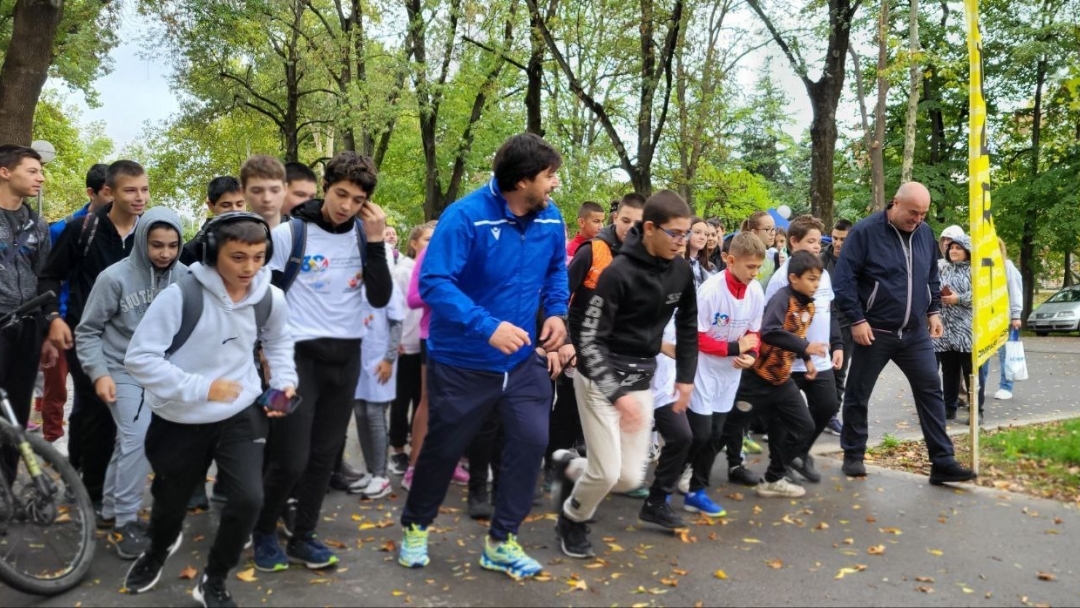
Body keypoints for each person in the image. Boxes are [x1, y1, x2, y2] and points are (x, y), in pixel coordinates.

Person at [397, 133, 568, 580]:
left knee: (531, 443)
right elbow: (434, 282)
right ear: (524, 179)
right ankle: (416, 526)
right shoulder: (465, 217)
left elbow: (555, 272)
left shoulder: (551, 219)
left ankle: (501, 541)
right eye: (549, 177)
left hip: (522, 360)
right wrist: (486, 326)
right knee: (445, 447)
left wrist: (555, 312)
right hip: (462, 362)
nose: (554, 186)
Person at [122, 212, 297, 605]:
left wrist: (285, 384)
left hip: (241, 411)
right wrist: (202, 388)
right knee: (170, 504)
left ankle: (214, 577)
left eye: (258, 256)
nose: (250, 267)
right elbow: (140, 359)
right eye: (238, 257)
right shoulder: (180, 296)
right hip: (179, 417)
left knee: (249, 499)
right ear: (213, 252)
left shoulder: (269, 296)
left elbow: (280, 343)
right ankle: (158, 548)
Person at [253, 151, 391, 571]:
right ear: (327, 187)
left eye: (357, 198)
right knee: (290, 456)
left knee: (325, 455)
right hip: (296, 357)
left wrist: (374, 242)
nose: (346, 205)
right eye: (340, 193)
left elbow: (380, 296)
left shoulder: (364, 237)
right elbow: (265, 297)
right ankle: (262, 531)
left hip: (345, 357)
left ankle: (304, 535)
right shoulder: (290, 234)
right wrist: (264, 353)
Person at [552, 190, 697, 559]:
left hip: (641, 380)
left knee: (629, 478)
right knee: (604, 474)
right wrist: (617, 396)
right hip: (599, 380)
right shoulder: (617, 273)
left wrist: (685, 377)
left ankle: (569, 465)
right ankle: (572, 518)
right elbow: (589, 339)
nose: (683, 242)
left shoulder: (681, 270)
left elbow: (688, 324)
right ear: (649, 228)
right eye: (675, 233)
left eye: (687, 233)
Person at [832, 182, 977, 485]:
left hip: (914, 334)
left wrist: (934, 311)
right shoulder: (865, 232)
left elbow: (931, 278)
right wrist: (857, 320)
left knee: (931, 392)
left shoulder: (924, 234)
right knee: (859, 393)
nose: (918, 219)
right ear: (895, 203)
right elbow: (844, 280)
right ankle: (854, 455)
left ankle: (942, 462)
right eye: (913, 213)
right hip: (874, 330)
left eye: (923, 214)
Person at [75, 207, 186, 559]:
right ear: (142, 241)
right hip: (119, 369)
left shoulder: (186, 278)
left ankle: (109, 509)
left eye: (172, 245)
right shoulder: (114, 278)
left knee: (129, 443)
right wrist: (99, 373)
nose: (165, 253)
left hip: (160, 372)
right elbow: (87, 331)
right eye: (157, 245)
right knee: (138, 439)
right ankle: (125, 522)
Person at [39, 160, 148, 519]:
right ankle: (93, 494)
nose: (139, 197)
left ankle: (105, 483)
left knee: (125, 417)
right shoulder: (81, 230)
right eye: (130, 190)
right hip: (89, 339)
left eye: (144, 189)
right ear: (110, 192)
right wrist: (54, 318)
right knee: (98, 412)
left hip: (137, 342)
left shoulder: (149, 234)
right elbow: (50, 277)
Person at [548, 193, 646, 485]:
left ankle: (594, 468)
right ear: (616, 218)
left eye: (637, 222)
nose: (630, 227)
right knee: (567, 409)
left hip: (615, 351)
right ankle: (552, 463)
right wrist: (566, 341)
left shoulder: (643, 257)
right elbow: (560, 296)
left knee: (601, 414)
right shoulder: (593, 250)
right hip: (578, 346)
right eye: (625, 219)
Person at [681, 232, 765, 517]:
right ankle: (675, 474)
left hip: (730, 373)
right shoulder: (711, 291)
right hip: (704, 370)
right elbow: (697, 337)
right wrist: (734, 347)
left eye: (758, 267)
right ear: (730, 261)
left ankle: (696, 490)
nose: (755, 273)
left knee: (717, 433)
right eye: (750, 267)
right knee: (701, 433)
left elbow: (755, 332)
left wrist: (751, 356)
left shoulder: (755, 292)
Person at [735, 251, 828, 498]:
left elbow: (796, 336)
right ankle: (691, 473)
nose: (816, 284)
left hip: (780, 379)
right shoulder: (781, 299)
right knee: (726, 429)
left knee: (804, 427)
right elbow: (770, 332)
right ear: (793, 278)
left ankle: (774, 478)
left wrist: (807, 359)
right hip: (756, 378)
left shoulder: (807, 304)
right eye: (811, 279)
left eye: (818, 279)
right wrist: (805, 348)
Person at [35, 164, 111, 443]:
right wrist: (52, 321)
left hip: (104, 326)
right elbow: (49, 277)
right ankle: (53, 442)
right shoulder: (64, 229)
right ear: (92, 192)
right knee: (56, 388)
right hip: (66, 321)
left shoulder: (130, 232)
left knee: (93, 392)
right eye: (108, 192)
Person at [765, 215, 843, 483]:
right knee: (782, 420)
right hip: (787, 361)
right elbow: (773, 327)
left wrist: (838, 343)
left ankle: (797, 453)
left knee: (826, 406)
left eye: (818, 242)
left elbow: (829, 312)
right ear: (793, 241)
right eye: (810, 241)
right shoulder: (780, 280)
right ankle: (780, 466)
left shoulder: (823, 275)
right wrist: (802, 350)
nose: (815, 247)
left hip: (819, 359)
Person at [0, 145, 50, 432]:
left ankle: (11, 469)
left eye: (41, 172)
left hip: (28, 325)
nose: (40, 178)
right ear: (5, 172)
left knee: (18, 411)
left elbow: (44, 276)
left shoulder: (38, 225)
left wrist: (46, 328)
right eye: (32, 171)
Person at [349, 281, 405, 500]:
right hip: (357, 359)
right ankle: (371, 471)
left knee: (374, 414)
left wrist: (389, 359)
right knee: (360, 413)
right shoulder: (352, 282)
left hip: (379, 360)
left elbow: (397, 322)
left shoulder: (387, 283)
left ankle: (381, 476)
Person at [389, 222, 435, 476]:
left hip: (425, 344)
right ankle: (397, 450)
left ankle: (417, 445)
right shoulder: (403, 271)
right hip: (405, 345)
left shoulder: (434, 268)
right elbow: (397, 309)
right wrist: (394, 342)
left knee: (422, 398)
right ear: (414, 243)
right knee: (401, 399)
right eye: (427, 239)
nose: (431, 244)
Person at [934, 234, 984, 420]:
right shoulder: (942, 267)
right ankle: (949, 408)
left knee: (971, 371)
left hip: (968, 329)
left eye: (958, 248)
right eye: (951, 248)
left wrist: (959, 299)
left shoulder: (976, 269)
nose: (953, 251)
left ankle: (976, 411)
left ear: (968, 251)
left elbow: (982, 294)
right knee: (949, 371)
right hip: (946, 327)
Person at [820, 218, 852, 435]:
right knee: (818, 372)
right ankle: (816, 412)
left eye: (843, 239)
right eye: (835, 238)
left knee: (839, 371)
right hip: (823, 323)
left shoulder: (857, 260)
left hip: (847, 325)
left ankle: (831, 415)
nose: (839, 243)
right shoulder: (820, 260)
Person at [180, 176, 245, 266]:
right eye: (226, 205)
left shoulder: (257, 239)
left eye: (240, 204)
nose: (235, 210)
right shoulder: (192, 250)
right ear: (211, 206)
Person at [989, 238, 1023, 400]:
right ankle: (978, 385)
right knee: (983, 354)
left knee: (1006, 354)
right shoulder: (981, 266)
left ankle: (1006, 386)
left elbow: (1015, 290)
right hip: (986, 318)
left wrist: (1016, 315)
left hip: (1004, 318)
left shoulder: (1007, 266)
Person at [241, 155, 287, 229]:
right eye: (257, 191)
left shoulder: (305, 233)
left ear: (285, 189)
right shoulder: (230, 236)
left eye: (275, 190)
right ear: (243, 191)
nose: (267, 198)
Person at [741, 211, 777, 288]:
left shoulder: (773, 256)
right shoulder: (743, 259)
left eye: (773, 228)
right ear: (754, 232)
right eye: (767, 229)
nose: (773, 233)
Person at [685, 216, 717, 288]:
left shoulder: (711, 268)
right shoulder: (676, 265)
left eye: (706, 234)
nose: (702, 237)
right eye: (697, 232)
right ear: (686, 233)